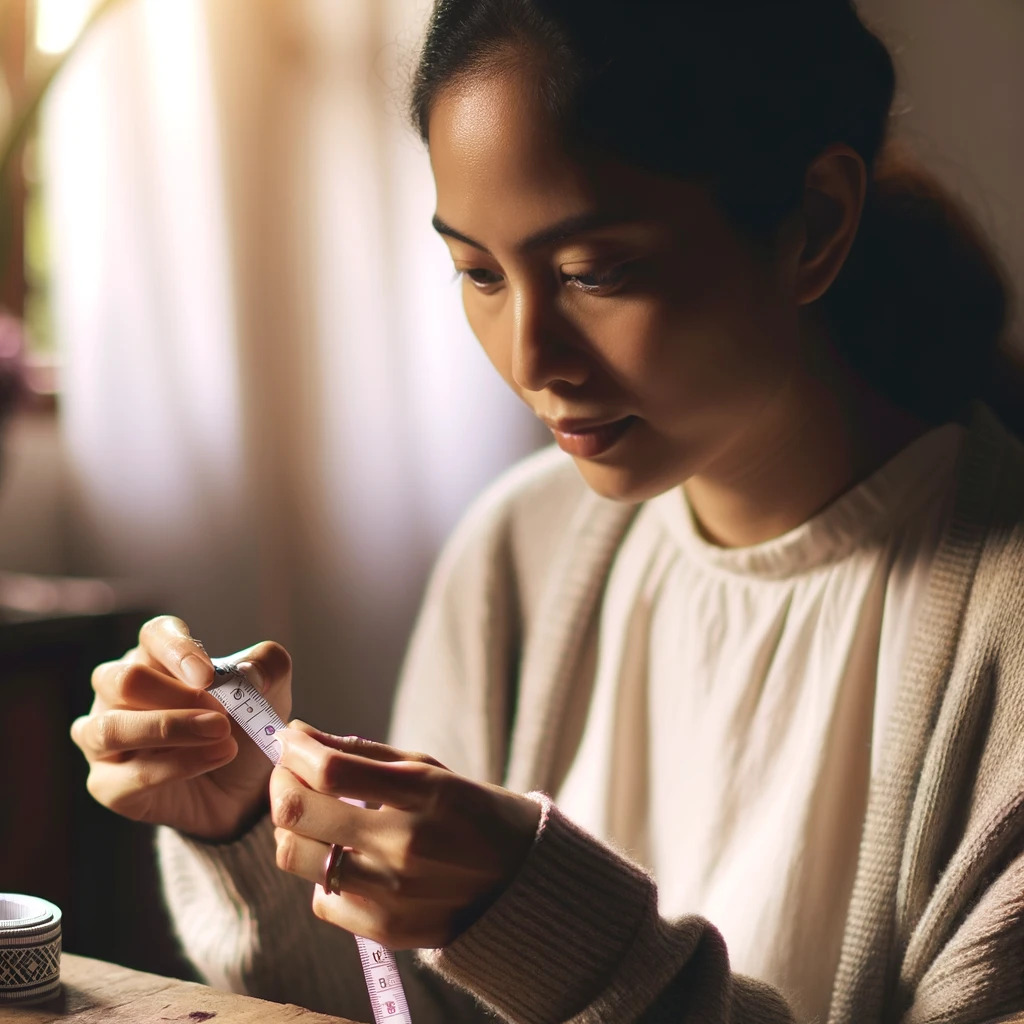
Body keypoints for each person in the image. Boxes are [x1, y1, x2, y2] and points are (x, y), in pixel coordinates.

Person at [70, 1, 1024, 1021]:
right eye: (477, 272)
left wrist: (548, 926)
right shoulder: (516, 552)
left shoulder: (997, 622)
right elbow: (422, 1012)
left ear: (817, 223)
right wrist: (246, 839)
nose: (530, 361)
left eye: (593, 272)